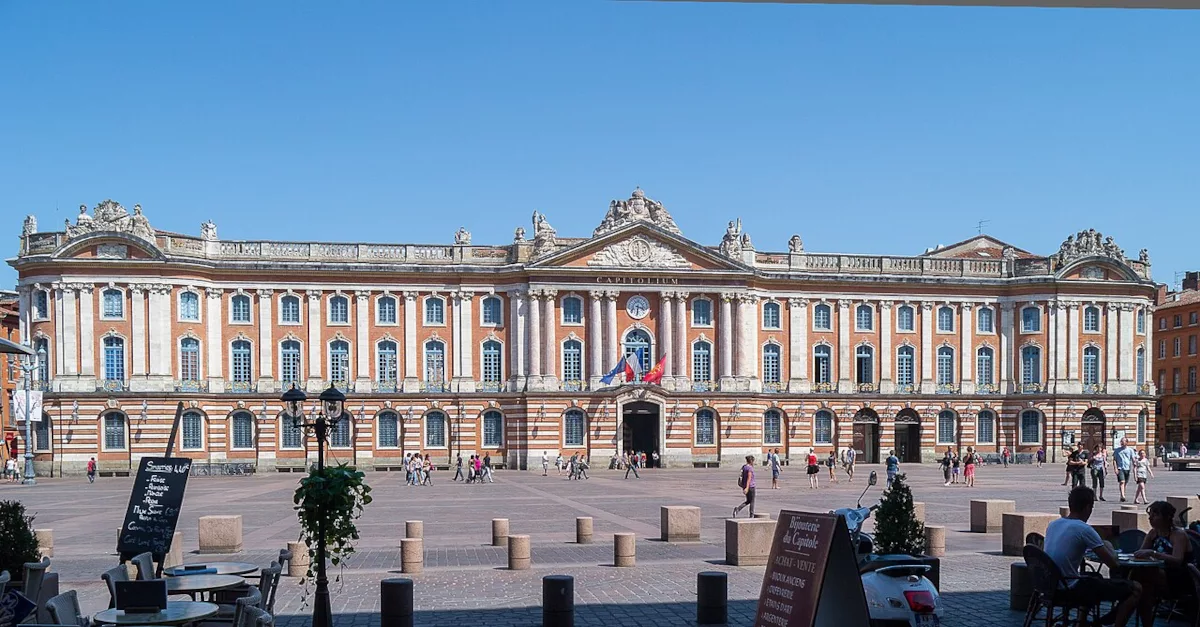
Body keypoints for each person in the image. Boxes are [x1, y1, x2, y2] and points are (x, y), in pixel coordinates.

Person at [1044, 487, 1141, 627]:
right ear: (1088, 507)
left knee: (1094, 578)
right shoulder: (1084, 529)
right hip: (1069, 588)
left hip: (1049, 586)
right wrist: (1107, 544)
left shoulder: (1053, 524)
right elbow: (1112, 563)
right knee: (1136, 588)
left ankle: (1083, 623)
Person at [1132, 500, 1195, 626]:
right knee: (1144, 589)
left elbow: (1177, 560)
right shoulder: (1153, 533)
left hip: (1179, 578)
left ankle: (1123, 603)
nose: (1150, 518)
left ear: (1166, 517)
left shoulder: (1178, 535)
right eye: (1150, 514)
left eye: (1155, 515)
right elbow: (1140, 553)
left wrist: (1153, 553)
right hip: (1157, 576)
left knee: (1140, 580)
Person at [1112, 438, 1136, 502]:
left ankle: (1122, 495)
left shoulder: (1130, 450)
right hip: (1120, 468)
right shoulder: (1117, 450)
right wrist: (1115, 468)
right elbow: (1114, 460)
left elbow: (1133, 458)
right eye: (1121, 442)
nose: (1122, 443)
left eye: (1123, 442)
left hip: (1127, 468)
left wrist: (1135, 463)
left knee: (1125, 483)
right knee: (1122, 481)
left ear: (1127, 442)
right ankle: (1123, 496)